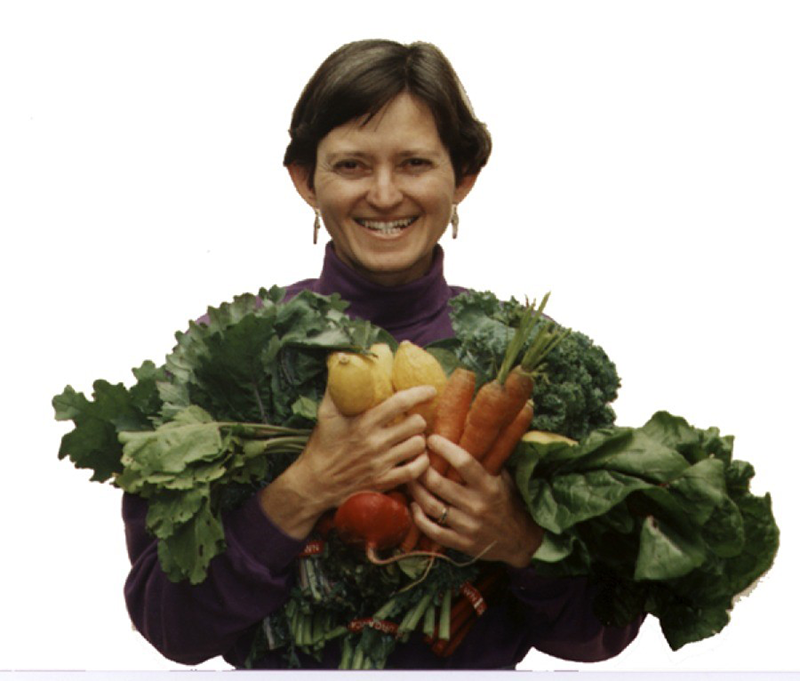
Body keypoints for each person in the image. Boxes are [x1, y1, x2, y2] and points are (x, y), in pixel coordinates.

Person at [123, 39, 643, 669]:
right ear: (304, 181)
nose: (386, 194)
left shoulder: (528, 360)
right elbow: (173, 629)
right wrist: (307, 486)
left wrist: (519, 541)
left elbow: (597, 636)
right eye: (351, 166)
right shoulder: (228, 353)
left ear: (464, 179)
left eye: (416, 163)